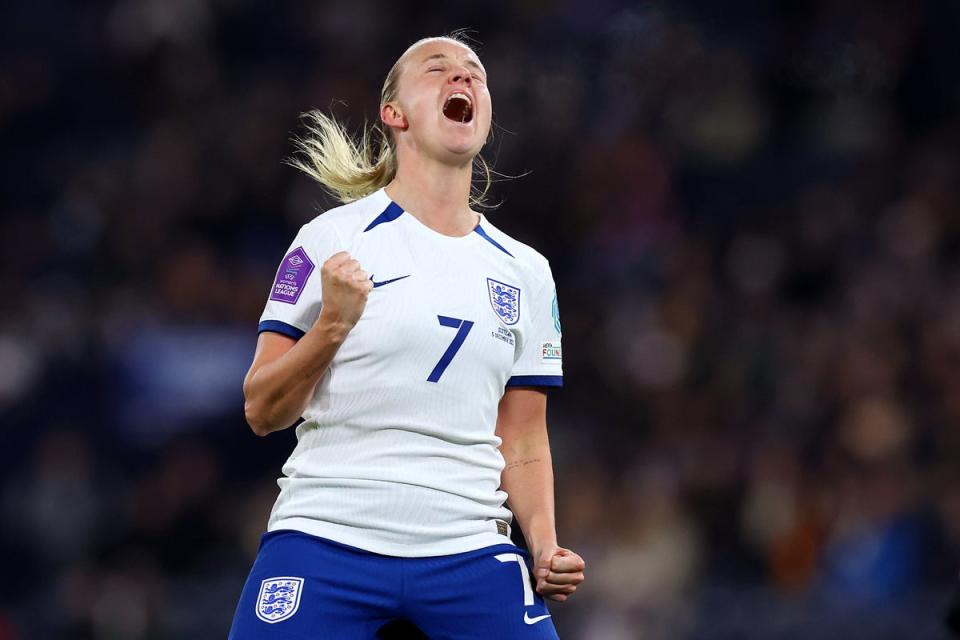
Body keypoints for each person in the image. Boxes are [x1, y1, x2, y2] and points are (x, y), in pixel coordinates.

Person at [228, 34, 585, 639]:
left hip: (469, 546)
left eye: (475, 72)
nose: (462, 79)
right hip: (327, 532)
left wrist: (545, 544)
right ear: (394, 114)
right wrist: (333, 325)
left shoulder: (526, 271)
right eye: (438, 69)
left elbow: (523, 433)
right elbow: (262, 409)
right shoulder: (329, 240)